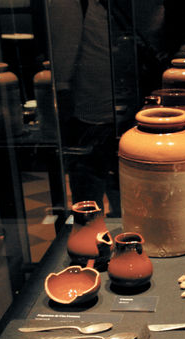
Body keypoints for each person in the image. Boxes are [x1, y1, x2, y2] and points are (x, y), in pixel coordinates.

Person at [49, 0, 121, 216]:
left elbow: (62, 56)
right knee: (108, 191)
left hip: (93, 110)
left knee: (94, 191)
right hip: (99, 109)